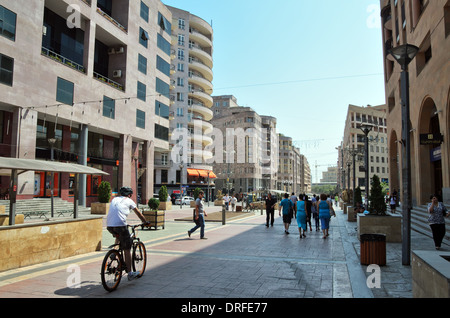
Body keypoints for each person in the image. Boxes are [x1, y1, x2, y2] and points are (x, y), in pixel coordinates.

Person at [106, 186, 148, 281]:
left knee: (119, 236)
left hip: (109, 225)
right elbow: (138, 213)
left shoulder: (114, 199)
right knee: (127, 249)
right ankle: (130, 273)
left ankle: (114, 253)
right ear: (129, 195)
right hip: (120, 225)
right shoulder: (129, 201)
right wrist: (145, 222)